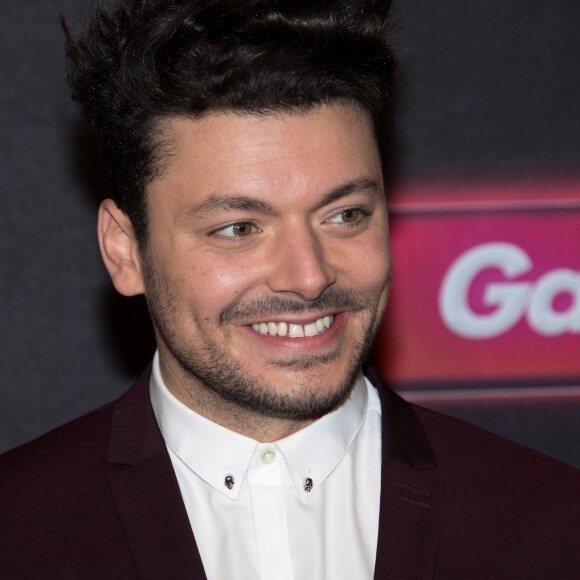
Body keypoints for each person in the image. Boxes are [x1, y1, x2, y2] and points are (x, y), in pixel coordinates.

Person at [1, 0, 579, 578]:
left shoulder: (549, 522)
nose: (309, 276)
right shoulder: (21, 529)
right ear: (125, 251)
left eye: (345, 215)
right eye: (238, 229)